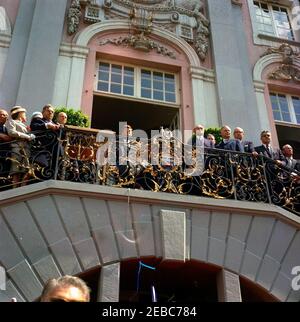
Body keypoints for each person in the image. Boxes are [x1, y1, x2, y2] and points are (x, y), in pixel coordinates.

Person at [6, 106, 36, 186]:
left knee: (26, 170)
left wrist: (30, 134)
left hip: (26, 148)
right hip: (17, 147)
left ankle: (22, 188)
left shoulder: (24, 125)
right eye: (24, 113)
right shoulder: (12, 121)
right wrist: (27, 136)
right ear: (19, 114)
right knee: (16, 170)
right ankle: (14, 189)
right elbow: (12, 132)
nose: (25, 115)